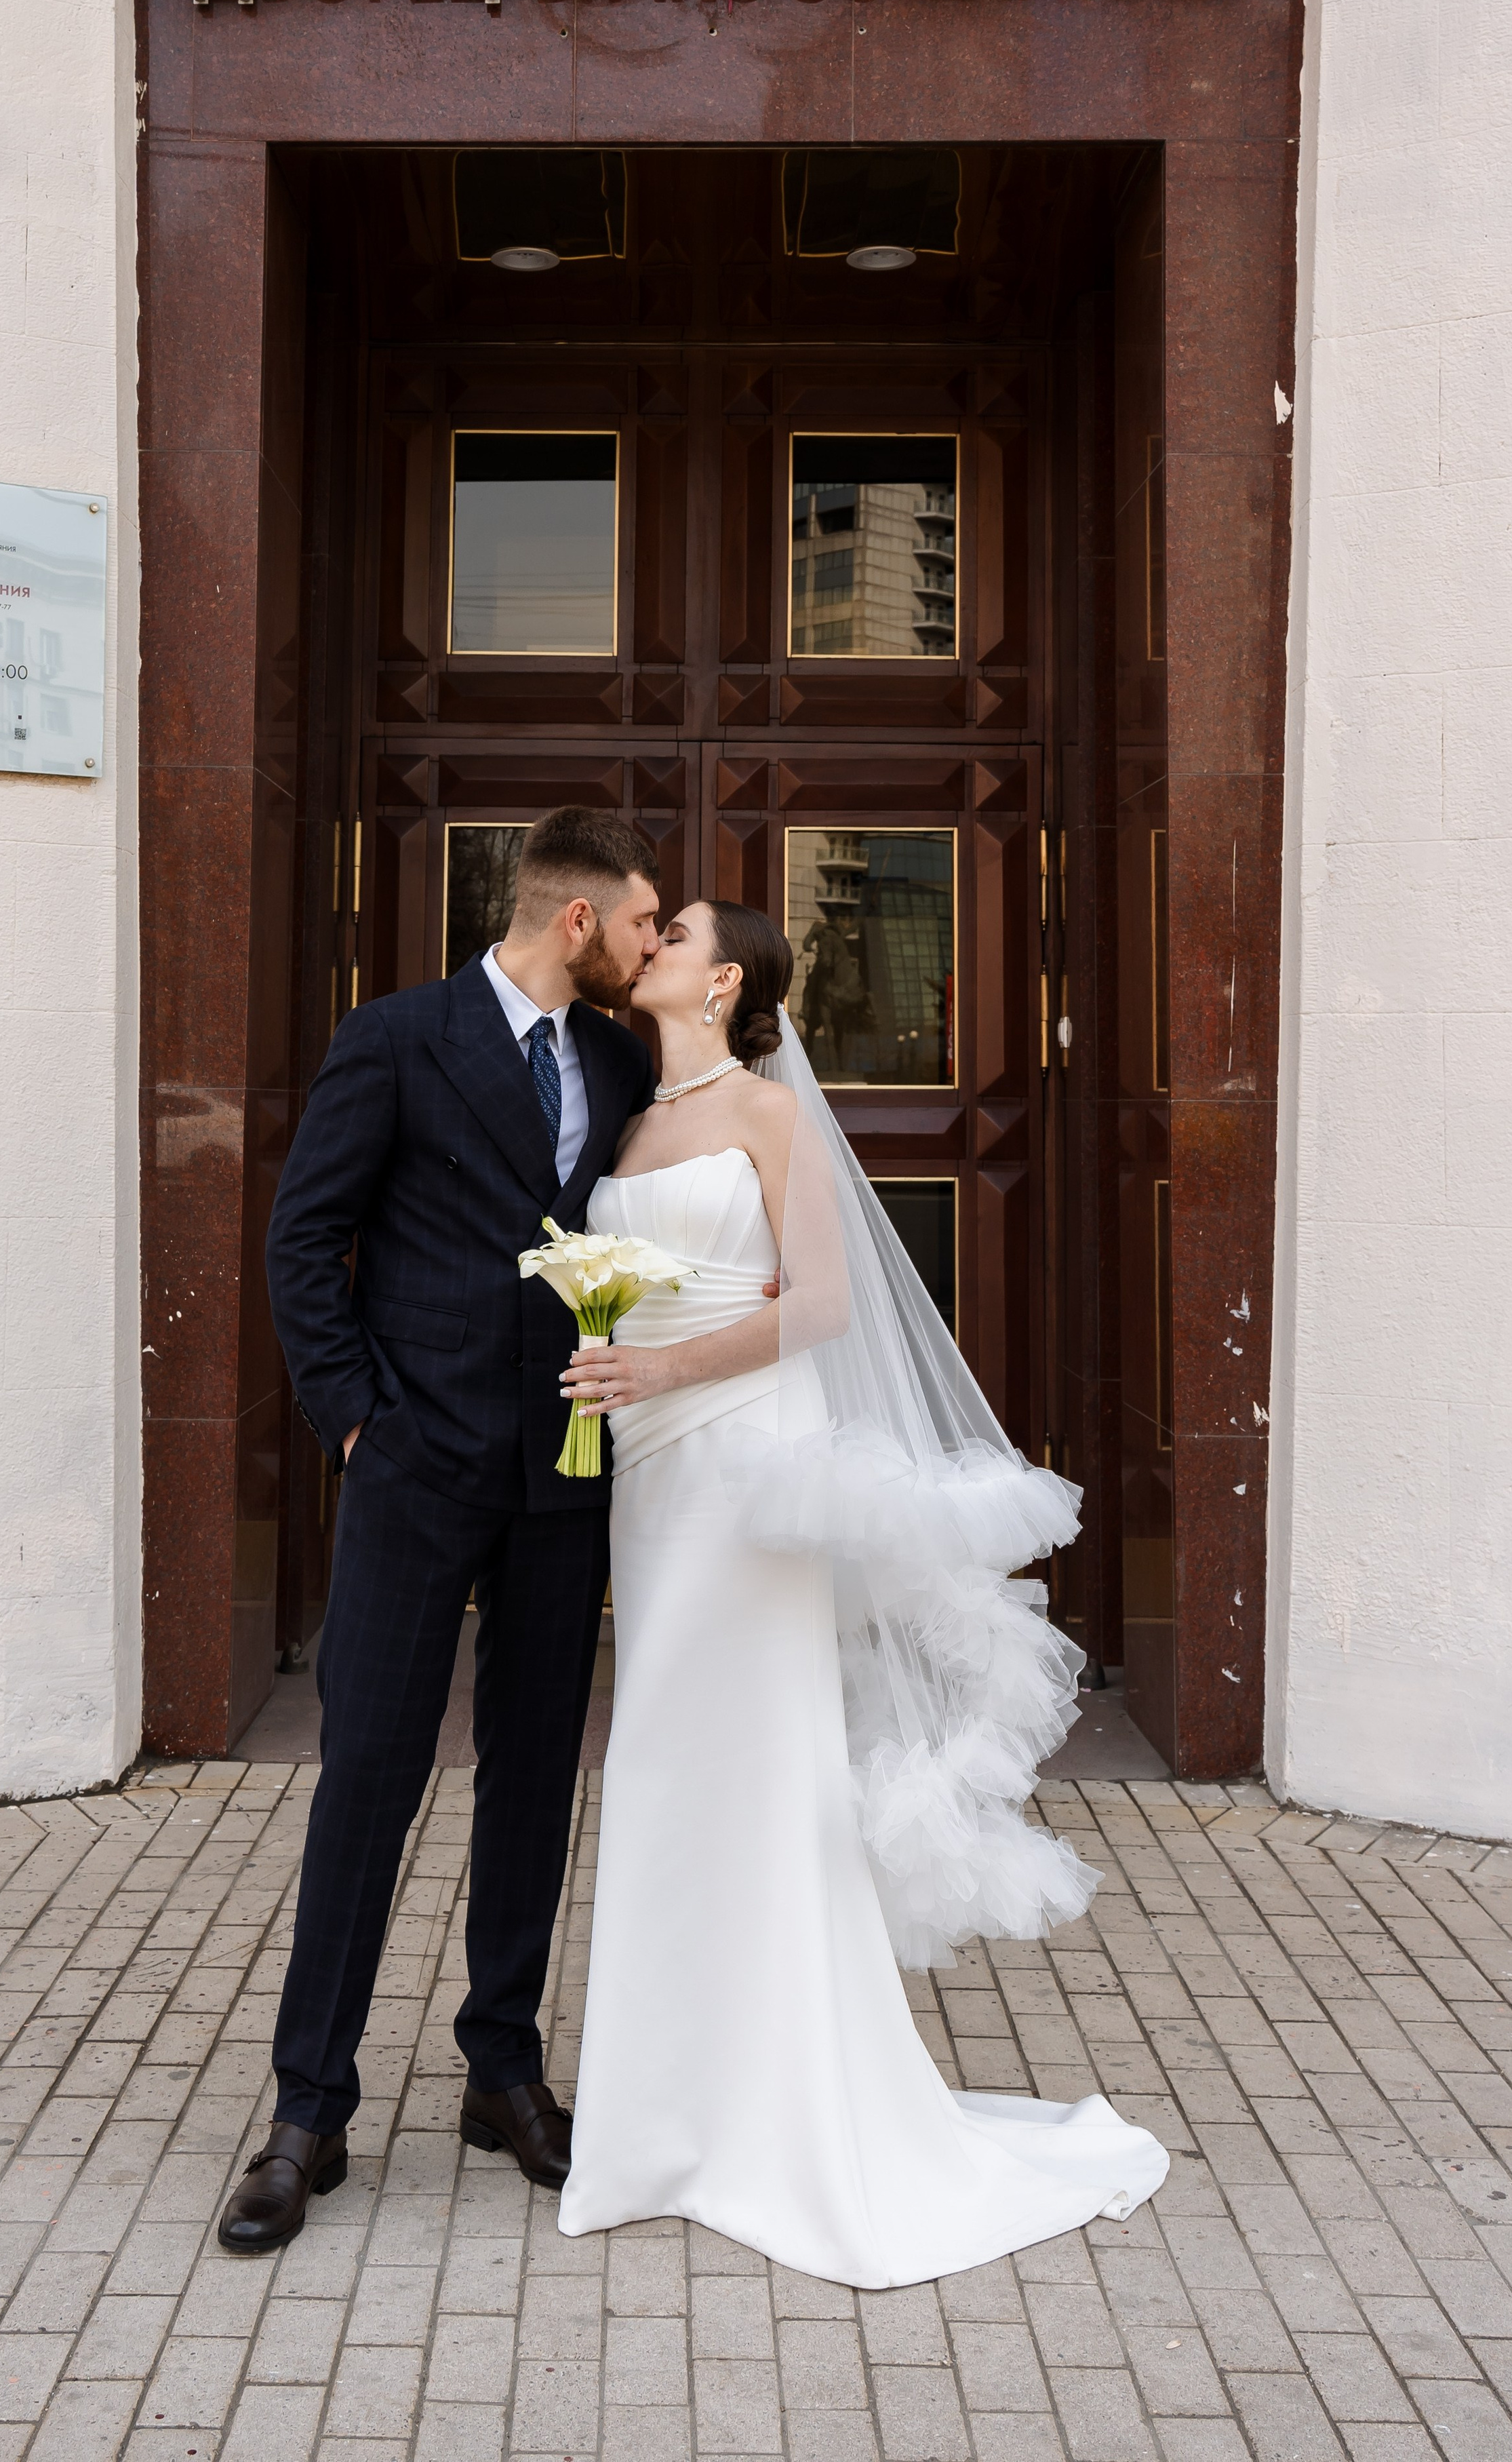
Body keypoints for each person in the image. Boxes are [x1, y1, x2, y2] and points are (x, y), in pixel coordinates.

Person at [555, 898, 1170, 2286]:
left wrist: (653, 1369)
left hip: (744, 1468)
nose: (645, 943)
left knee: (760, 1761)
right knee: (663, 1760)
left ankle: (785, 2109)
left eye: (678, 932)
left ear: (724, 980)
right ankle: (664, 2117)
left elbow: (818, 1304)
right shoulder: (632, 1121)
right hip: (650, 1480)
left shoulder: (768, 1115)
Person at [215, 808, 664, 2252]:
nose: (649, 943)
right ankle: (307, 2107)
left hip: (563, 1474)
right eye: (639, 921)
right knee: (370, 1775)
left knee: (534, 1776)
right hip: (415, 1469)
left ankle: (503, 2069)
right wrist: (357, 1423)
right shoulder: (396, 1037)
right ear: (576, 922)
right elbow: (304, 1238)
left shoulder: (614, 1056)